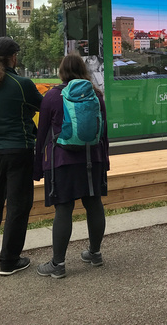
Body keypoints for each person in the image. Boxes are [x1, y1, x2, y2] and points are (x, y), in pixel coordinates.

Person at [34, 53, 110, 279]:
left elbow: (43, 134)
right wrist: (104, 161)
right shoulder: (96, 95)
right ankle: (94, 254)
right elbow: (103, 132)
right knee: (94, 204)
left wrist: (38, 166)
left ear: (61, 71)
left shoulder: (52, 97)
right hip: (92, 159)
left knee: (64, 208)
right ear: (84, 71)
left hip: (62, 162)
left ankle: (58, 264)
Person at [0, 37, 44, 276]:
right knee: (18, 205)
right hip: (19, 150)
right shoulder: (22, 83)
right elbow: (43, 106)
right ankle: (9, 260)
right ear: (13, 57)